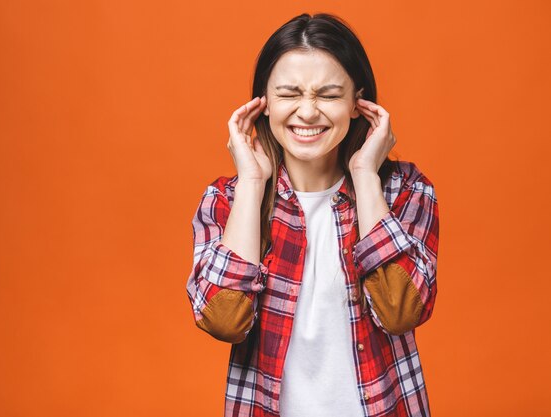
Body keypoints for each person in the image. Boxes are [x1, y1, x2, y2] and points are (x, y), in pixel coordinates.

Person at [185, 12, 439, 417]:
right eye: (289, 93)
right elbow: (223, 320)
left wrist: (364, 175)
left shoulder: (405, 191)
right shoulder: (228, 200)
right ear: (262, 104)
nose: (307, 112)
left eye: (328, 94)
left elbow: (400, 312)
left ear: (359, 103)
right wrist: (251, 182)